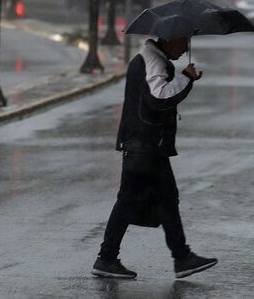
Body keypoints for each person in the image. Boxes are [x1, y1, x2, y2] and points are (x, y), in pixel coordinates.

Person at [92, 36, 218, 280]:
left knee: (159, 200)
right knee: (140, 201)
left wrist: (183, 78)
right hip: (145, 145)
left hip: (145, 145)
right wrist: (186, 78)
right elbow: (159, 97)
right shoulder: (153, 61)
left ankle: (178, 257)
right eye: (183, 42)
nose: (185, 48)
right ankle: (178, 258)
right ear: (169, 40)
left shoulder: (154, 59)